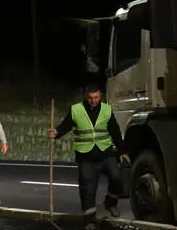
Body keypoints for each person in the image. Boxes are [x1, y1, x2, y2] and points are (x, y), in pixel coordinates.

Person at [48, 82, 129, 217]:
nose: (93, 101)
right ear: (86, 97)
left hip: (106, 153)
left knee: (117, 177)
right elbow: (66, 125)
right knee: (88, 188)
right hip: (85, 156)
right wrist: (56, 133)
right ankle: (89, 218)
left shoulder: (107, 110)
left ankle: (110, 202)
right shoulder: (76, 110)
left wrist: (122, 151)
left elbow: (115, 131)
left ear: (100, 96)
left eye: (96, 97)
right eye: (91, 98)